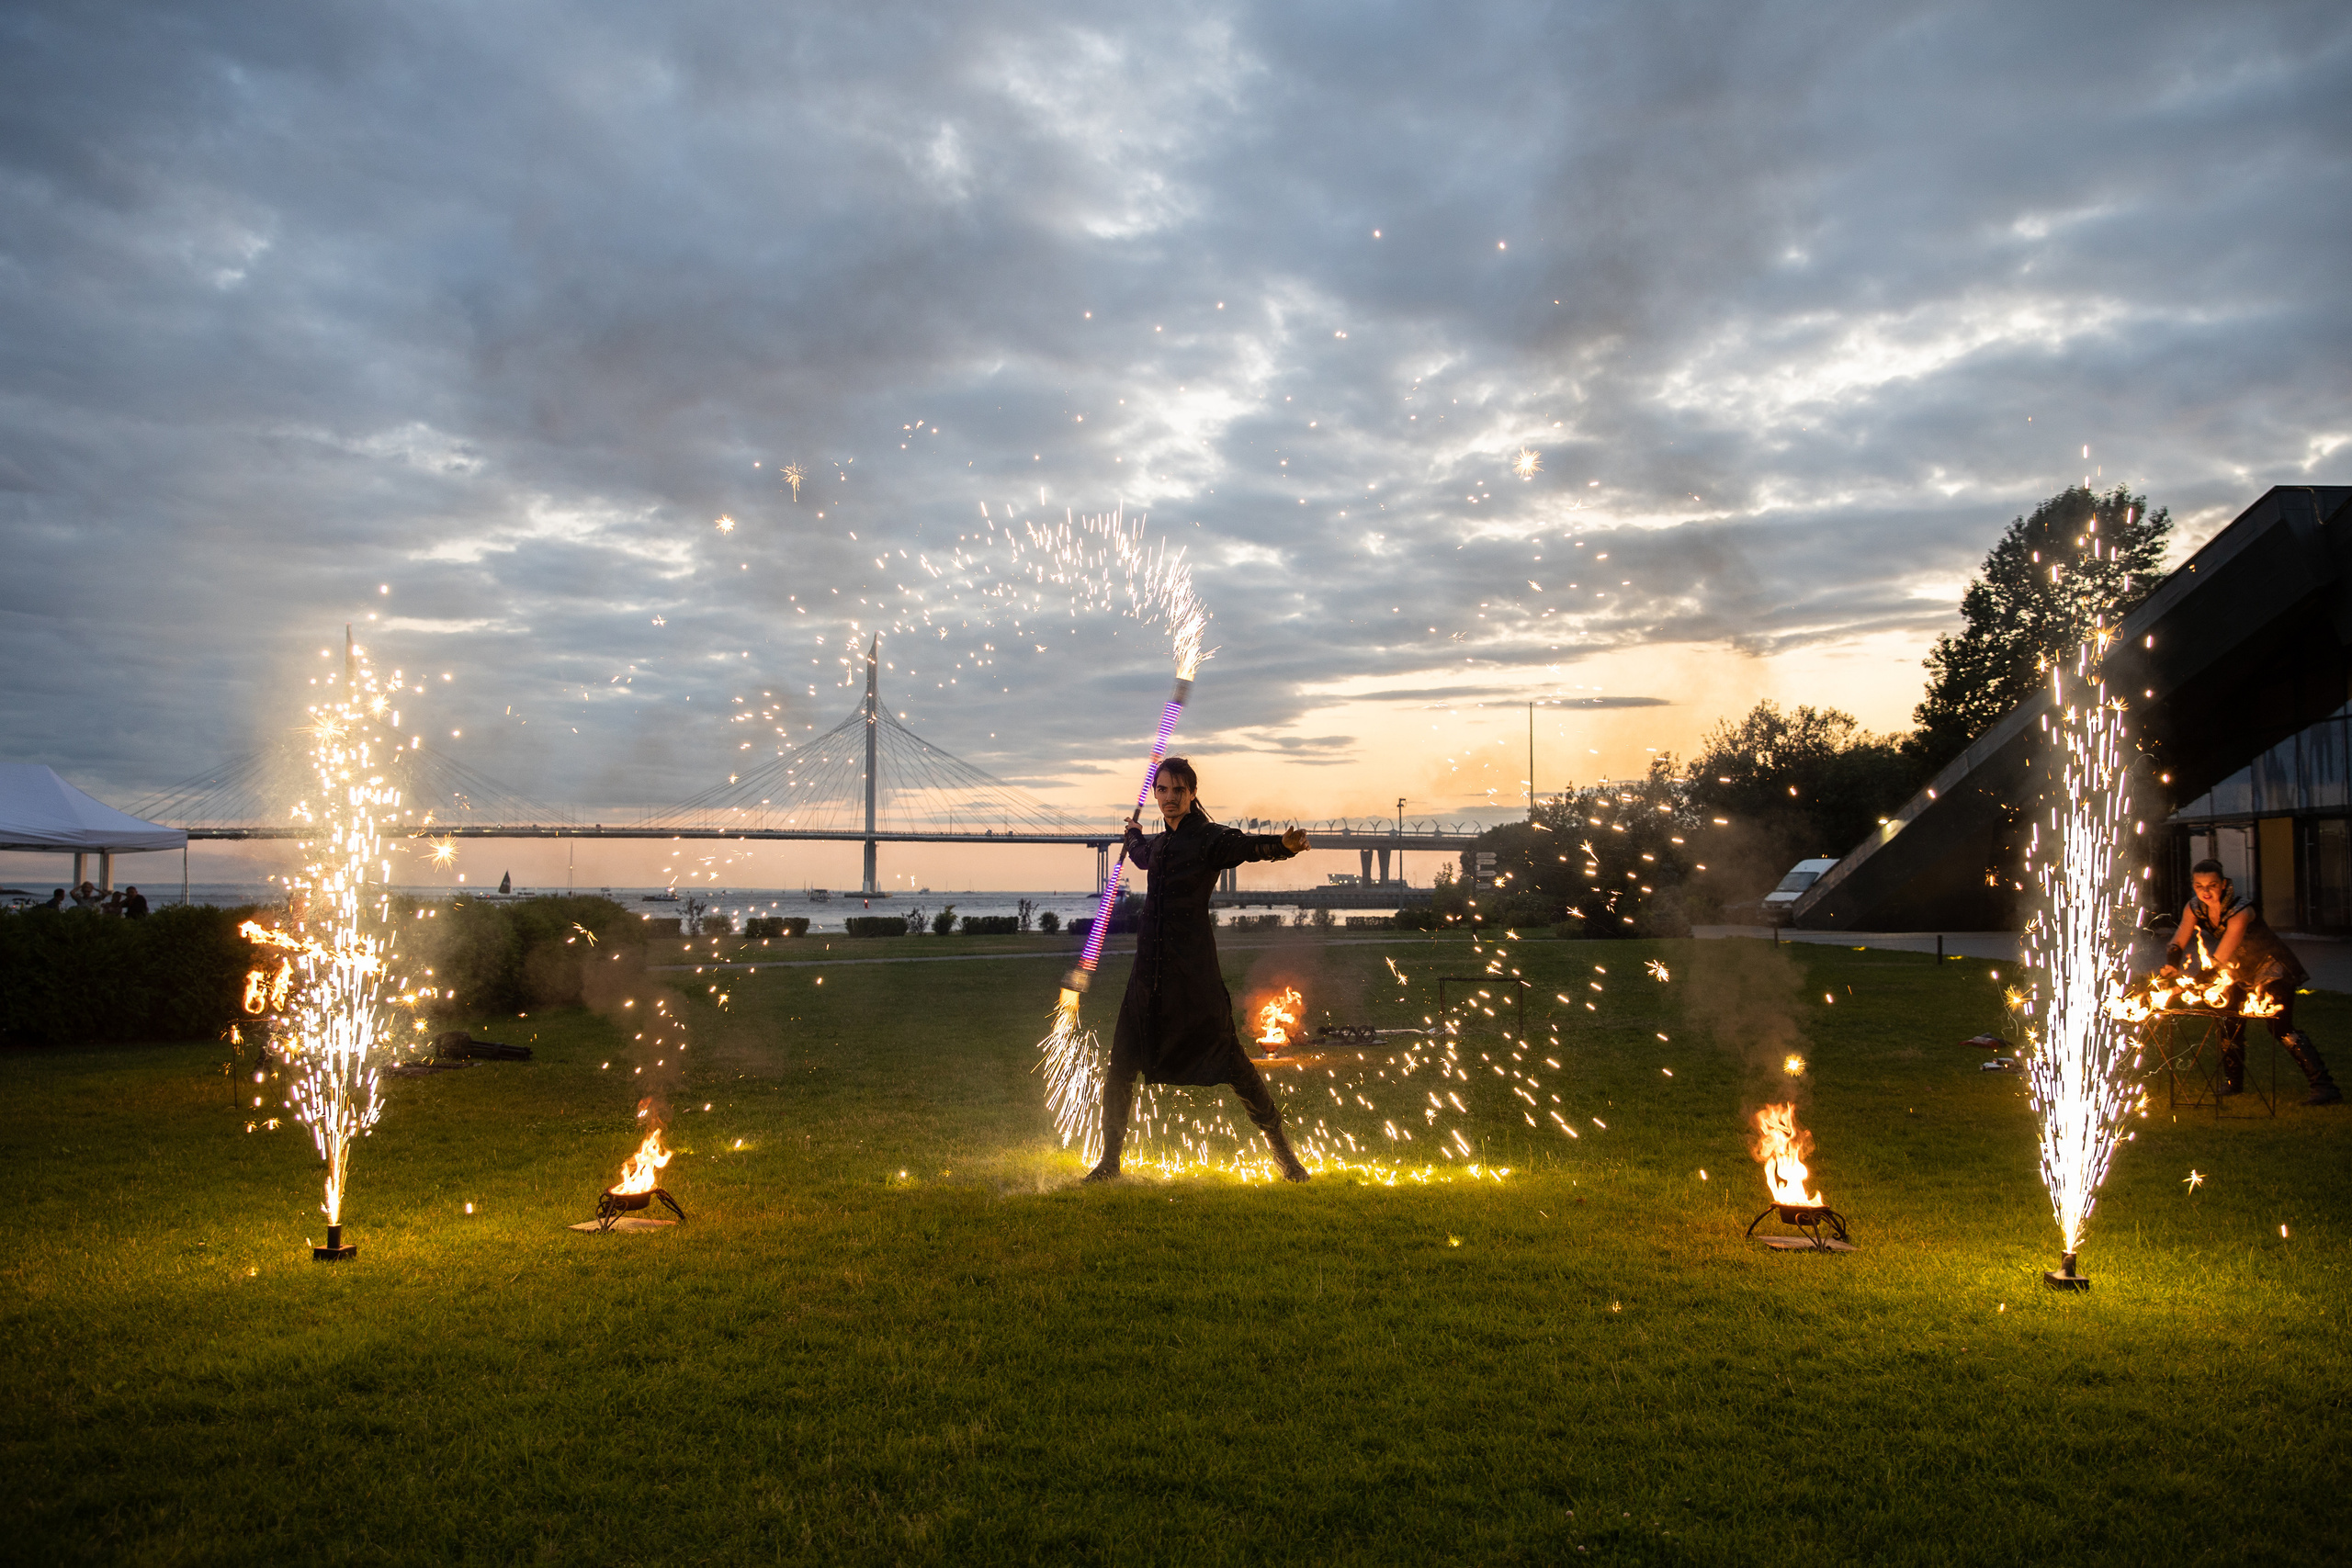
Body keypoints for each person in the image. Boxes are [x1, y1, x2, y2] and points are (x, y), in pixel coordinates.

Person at [1087, 756, 1314, 1182]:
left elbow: (1243, 846)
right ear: (1156, 795)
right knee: (1121, 1065)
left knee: (1234, 1065)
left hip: (1192, 974)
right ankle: (1109, 1163)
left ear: (1192, 793)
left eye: (1178, 790)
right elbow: (1140, 856)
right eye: (1162, 791)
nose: (1169, 799)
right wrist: (1133, 834)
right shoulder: (1158, 844)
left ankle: (1287, 1159)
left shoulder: (1209, 839)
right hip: (1147, 975)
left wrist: (1280, 847)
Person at [2162, 859, 2339, 1105]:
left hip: (2271, 967)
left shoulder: (2241, 910)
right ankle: (2233, 1083)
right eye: (2199, 885)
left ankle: (2324, 1087)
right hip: (2237, 971)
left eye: (2212, 885)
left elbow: (2219, 959)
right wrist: (2171, 963)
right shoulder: (2194, 907)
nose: (2205, 891)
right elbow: (2178, 939)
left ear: (2223, 885)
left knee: (2280, 1026)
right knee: (2229, 1020)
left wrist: (2187, 985)